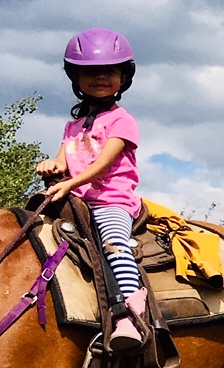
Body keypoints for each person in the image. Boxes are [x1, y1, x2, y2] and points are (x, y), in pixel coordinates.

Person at [36, 29, 147, 350]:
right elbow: (63, 162)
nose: (100, 78)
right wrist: (51, 166)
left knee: (114, 245)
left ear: (123, 78)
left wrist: (71, 182)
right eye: (90, 72)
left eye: (109, 71)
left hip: (111, 201)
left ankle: (130, 314)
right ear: (76, 78)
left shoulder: (122, 121)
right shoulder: (72, 126)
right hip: (77, 202)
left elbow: (104, 163)